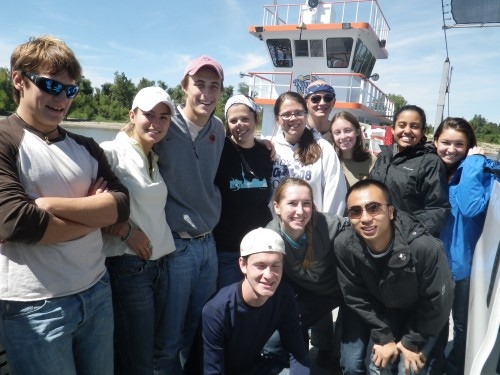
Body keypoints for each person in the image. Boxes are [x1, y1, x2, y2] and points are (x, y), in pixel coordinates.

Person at [0, 35, 130, 374]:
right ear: (18, 80)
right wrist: (93, 212)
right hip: (35, 307)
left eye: (71, 90)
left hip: (97, 290)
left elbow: (120, 205)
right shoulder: (4, 138)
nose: (62, 98)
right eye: (50, 85)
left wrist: (46, 204)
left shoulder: (86, 146)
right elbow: (17, 222)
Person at [334, 179, 454, 375]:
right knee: (375, 366)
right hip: (384, 311)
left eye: (374, 208)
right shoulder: (345, 245)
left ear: (390, 212)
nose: (365, 218)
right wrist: (384, 336)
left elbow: (438, 301)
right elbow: (355, 295)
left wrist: (411, 342)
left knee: (408, 369)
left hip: (423, 315)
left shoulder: (423, 247)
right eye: (355, 211)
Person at [154, 55, 225, 374]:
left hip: (209, 245)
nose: (206, 93)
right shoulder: (164, 125)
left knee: (197, 330)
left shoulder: (219, 129)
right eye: (199, 84)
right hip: (176, 247)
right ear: (184, 86)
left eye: (214, 86)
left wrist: (267, 147)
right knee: (168, 336)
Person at [100, 87, 176, 374]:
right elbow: (83, 204)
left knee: (140, 350)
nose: (156, 122)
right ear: (132, 115)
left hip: (157, 265)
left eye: (164, 117)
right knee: (138, 359)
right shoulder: (111, 153)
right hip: (127, 267)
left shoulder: (152, 157)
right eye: (149, 115)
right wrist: (123, 229)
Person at [433, 117, 500, 375]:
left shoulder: (481, 175)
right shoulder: (431, 170)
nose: (451, 149)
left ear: (470, 146)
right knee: (435, 323)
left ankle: (455, 367)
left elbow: (471, 207)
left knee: (462, 325)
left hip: (464, 267)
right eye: (445, 142)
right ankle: (434, 364)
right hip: (434, 265)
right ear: (435, 141)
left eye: (459, 144)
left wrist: (472, 165)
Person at [264, 178, 348, 367]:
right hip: (314, 295)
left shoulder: (327, 224)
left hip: (346, 291)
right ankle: (314, 354)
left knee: (348, 360)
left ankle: (336, 355)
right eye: (292, 203)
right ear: (276, 207)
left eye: (306, 204)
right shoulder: (271, 237)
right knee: (273, 341)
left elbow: (361, 226)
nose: (300, 211)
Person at [202, 227, 310, 375]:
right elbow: (211, 370)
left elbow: (298, 354)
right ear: (243, 265)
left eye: (275, 266)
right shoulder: (217, 310)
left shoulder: (284, 297)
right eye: (260, 266)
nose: (269, 275)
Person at [213, 95, 273, 289]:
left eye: (245, 118)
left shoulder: (267, 153)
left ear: (256, 119)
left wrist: (265, 143)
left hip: (260, 247)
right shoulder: (219, 150)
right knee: (229, 301)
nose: (240, 124)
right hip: (227, 249)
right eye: (233, 120)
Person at [370, 104, 450, 237]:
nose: (407, 131)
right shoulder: (384, 156)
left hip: (406, 239)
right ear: (393, 129)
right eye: (402, 125)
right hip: (376, 233)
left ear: (423, 131)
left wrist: (403, 228)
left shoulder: (430, 162)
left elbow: (438, 210)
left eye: (414, 126)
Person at [271, 91, 347, 216]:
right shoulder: (270, 148)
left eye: (299, 113)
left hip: (314, 230)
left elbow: (335, 195)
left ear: (306, 115)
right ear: (277, 118)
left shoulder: (323, 148)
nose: (293, 118)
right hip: (277, 231)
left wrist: (324, 231)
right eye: (286, 114)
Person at [331, 110, 376, 187]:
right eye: (337, 132)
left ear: (357, 132)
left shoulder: (372, 160)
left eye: (348, 130)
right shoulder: (330, 161)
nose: (343, 136)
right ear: (332, 136)